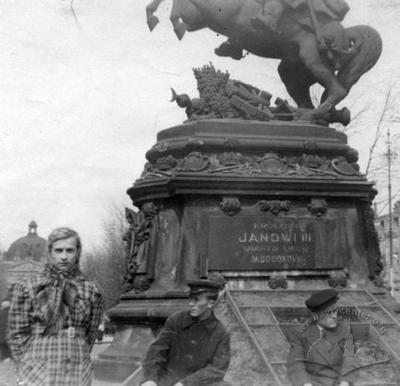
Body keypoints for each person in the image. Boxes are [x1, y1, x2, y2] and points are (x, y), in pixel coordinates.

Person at [7, 227, 104, 386]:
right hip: (38, 371)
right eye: (59, 250)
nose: (64, 257)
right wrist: (25, 367)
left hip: (77, 370)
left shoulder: (91, 290)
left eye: (70, 251)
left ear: (77, 252)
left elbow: (90, 334)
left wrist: (75, 350)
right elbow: (17, 334)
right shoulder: (28, 288)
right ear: (50, 252)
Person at [140, 279, 231, 386]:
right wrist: (150, 379)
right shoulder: (175, 321)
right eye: (190, 299)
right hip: (167, 381)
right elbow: (156, 351)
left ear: (210, 304)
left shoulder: (220, 333)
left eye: (196, 300)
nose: (191, 303)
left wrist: (186, 384)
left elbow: (217, 369)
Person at [286, 289, 356, 386]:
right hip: (313, 381)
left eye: (335, 311)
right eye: (328, 313)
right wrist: (305, 383)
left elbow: (349, 358)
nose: (334, 316)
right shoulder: (302, 334)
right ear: (316, 316)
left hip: (338, 381)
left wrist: (345, 382)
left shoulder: (344, 330)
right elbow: (296, 363)